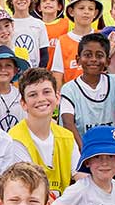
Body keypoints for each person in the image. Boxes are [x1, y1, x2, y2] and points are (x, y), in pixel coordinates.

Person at [8, 68, 77, 197]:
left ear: (57, 97)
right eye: (33, 95)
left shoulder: (67, 137)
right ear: (23, 104)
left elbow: (82, 179)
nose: (41, 99)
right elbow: (31, 190)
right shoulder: (15, 139)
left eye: (46, 92)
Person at [58, 33, 115, 138]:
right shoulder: (69, 89)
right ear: (78, 59)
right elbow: (68, 123)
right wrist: (84, 151)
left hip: (113, 148)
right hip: (83, 149)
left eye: (99, 55)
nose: (93, 59)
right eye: (88, 55)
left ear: (108, 61)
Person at [51, 0, 104, 84]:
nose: (86, 12)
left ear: (95, 13)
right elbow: (57, 74)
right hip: (73, 96)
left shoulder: (101, 37)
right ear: (71, 11)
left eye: (90, 9)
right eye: (81, 8)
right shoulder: (63, 41)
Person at [6, 0, 51, 66]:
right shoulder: (7, 24)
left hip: (34, 74)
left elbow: (44, 54)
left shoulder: (39, 24)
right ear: (11, 0)